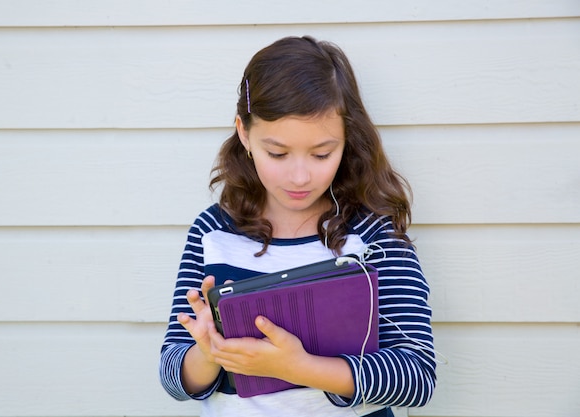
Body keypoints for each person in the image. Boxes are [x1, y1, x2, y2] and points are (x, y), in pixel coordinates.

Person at [159, 35, 436, 417]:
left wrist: (300, 368)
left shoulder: (371, 235)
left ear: (346, 139)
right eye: (278, 153)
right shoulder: (213, 232)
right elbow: (174, 374)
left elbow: (416, 375)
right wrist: (208, 353)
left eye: (322, 153)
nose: (300, 176)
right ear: (244, 133)